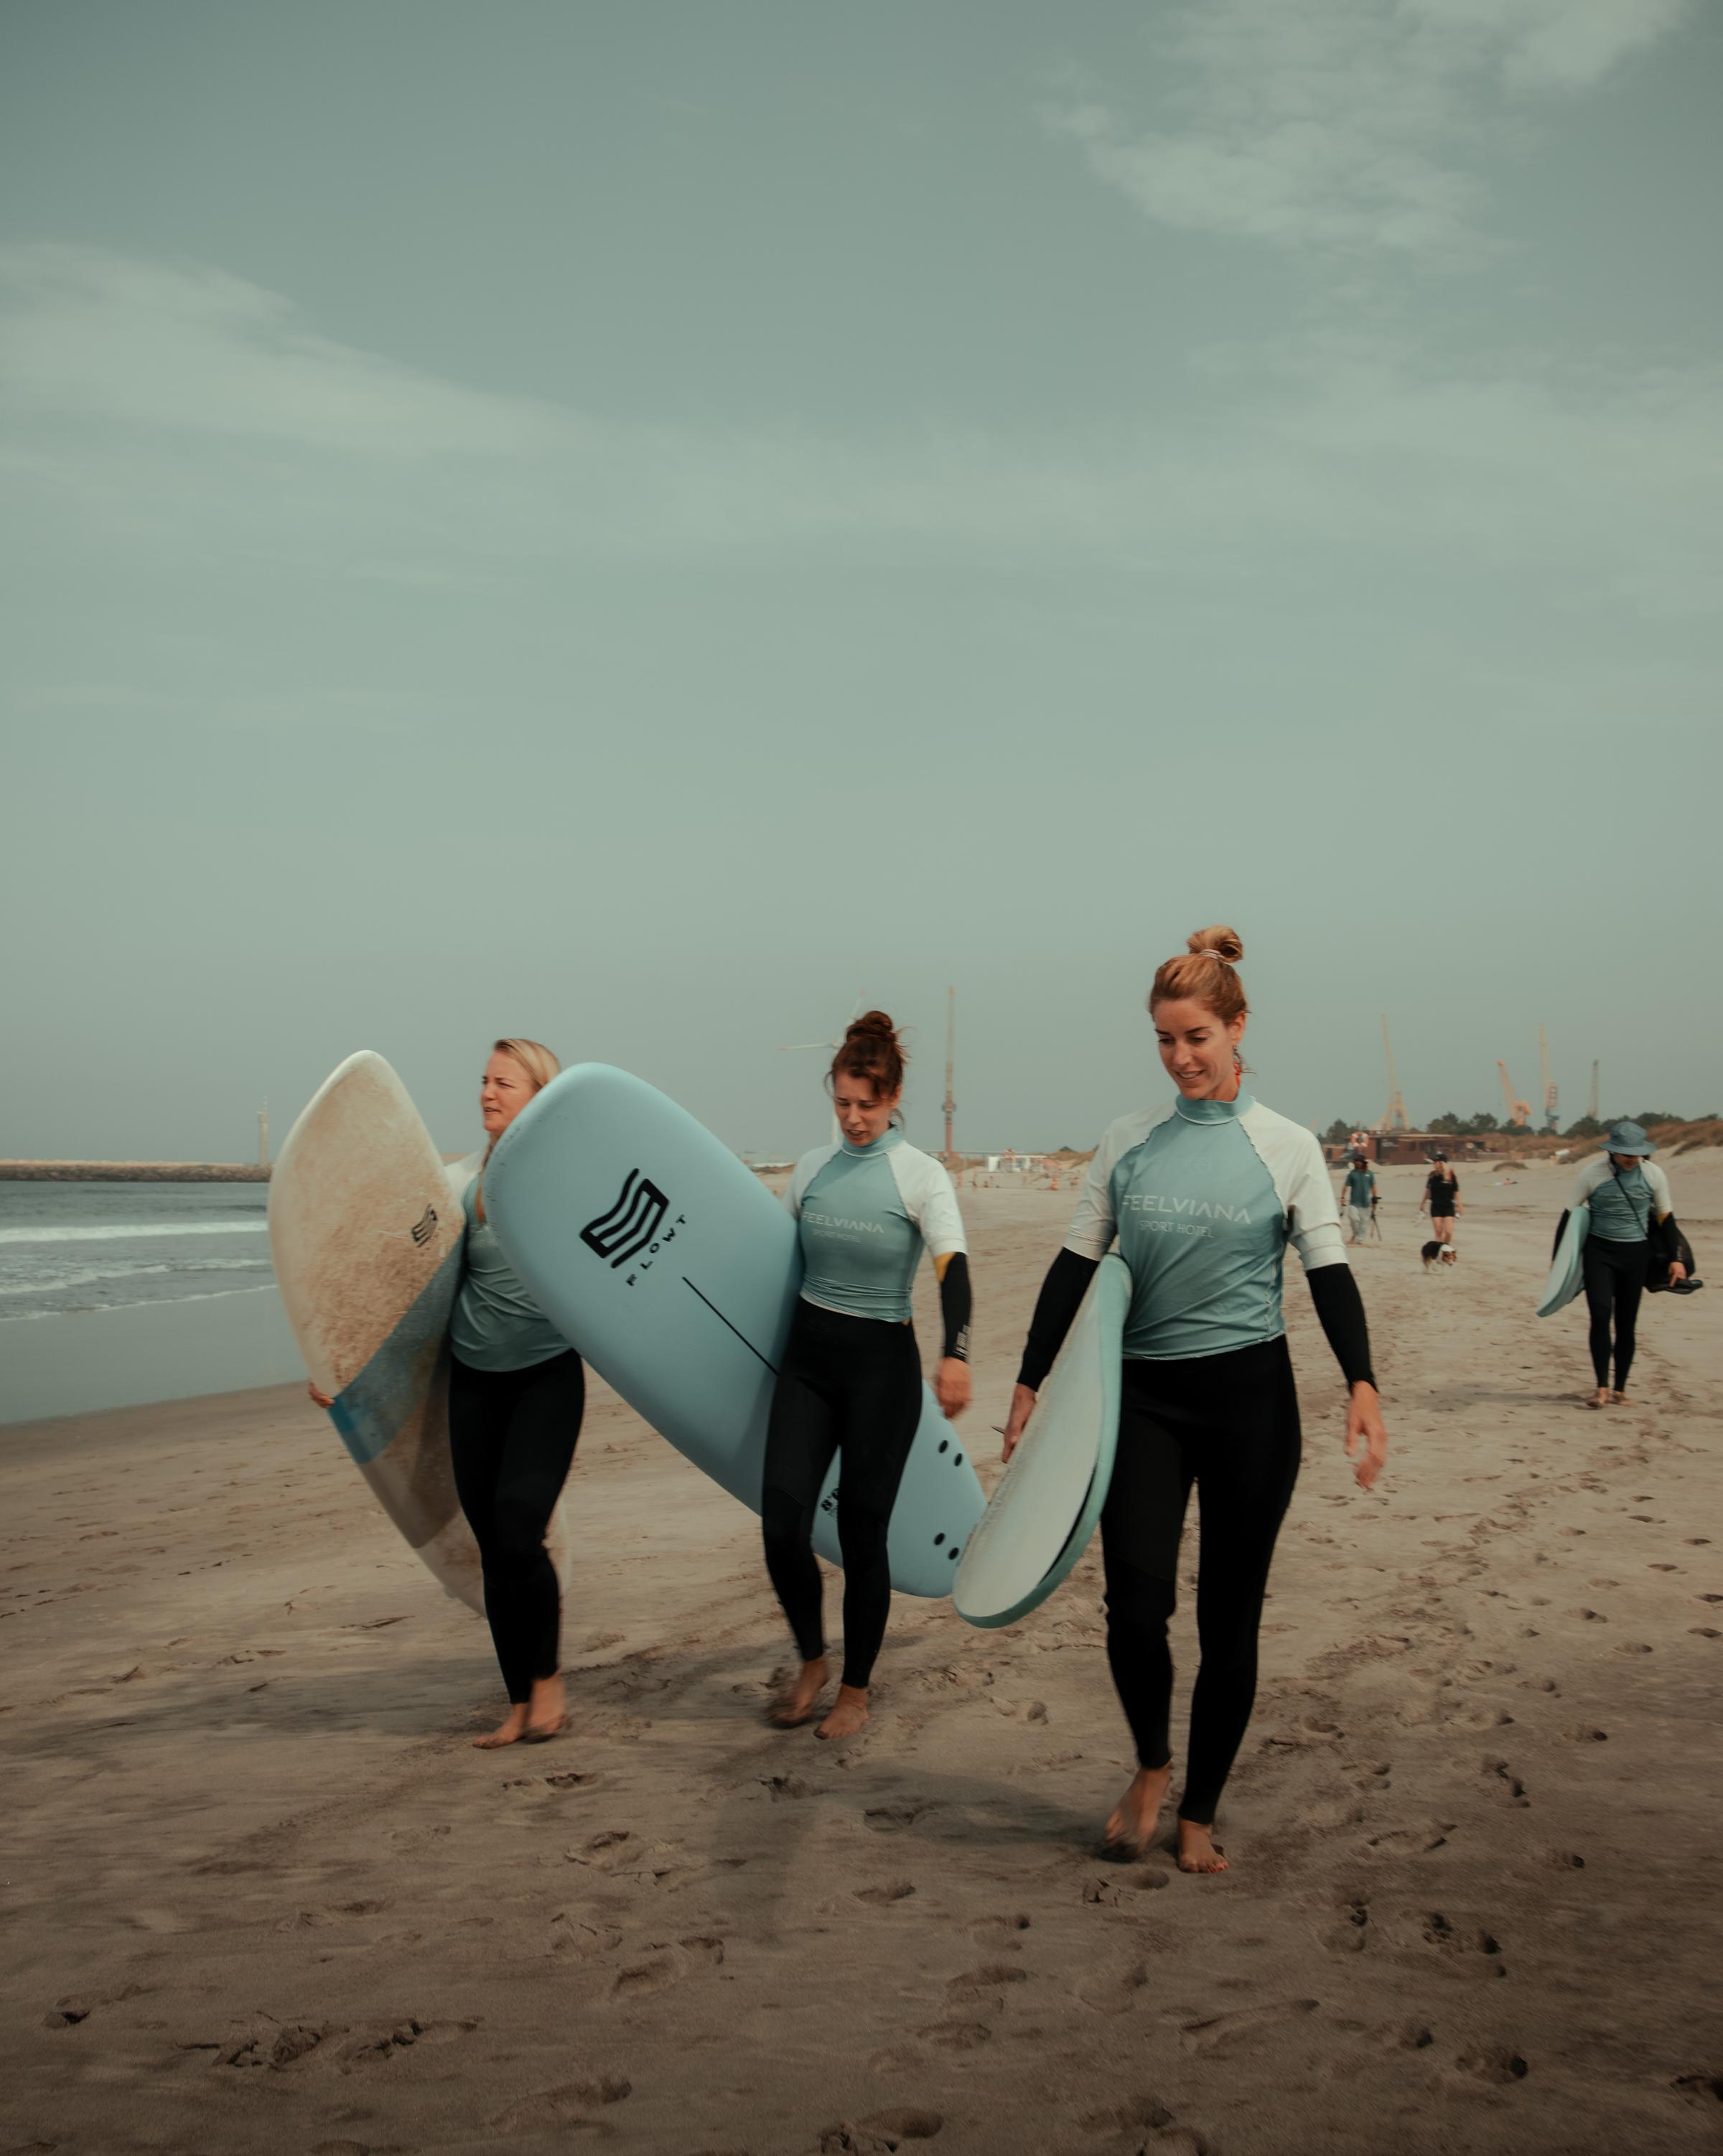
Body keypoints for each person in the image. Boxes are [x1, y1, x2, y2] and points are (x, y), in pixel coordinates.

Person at [1001, 927, 1388, 1877]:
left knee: (1229, 1618)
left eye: (1198, 1036)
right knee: (1134, 1604)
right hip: (1147, 1400)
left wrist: (1363, 1383)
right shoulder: (1129, 1140)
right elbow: (1076, 1260)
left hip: (1251, 1402)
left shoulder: (1288, 1146)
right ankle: (1150, 1763)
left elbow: (1330, 1272)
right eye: (1166, 1040)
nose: (1181, 1058)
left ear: (1238, 1026)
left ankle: (1201, 1807)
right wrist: (1029, 1376)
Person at [312, 1039, 582, 1748]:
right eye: (485, 1081)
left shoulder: (563, 1180)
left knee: (522, 1529)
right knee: (494, 1546)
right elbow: (405, 1291)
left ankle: (549, 1682)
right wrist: (343, 1369)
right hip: (474, 1383)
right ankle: (519, 1703)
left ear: (537, 1095)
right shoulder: (458, 1183)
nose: (489, 1093)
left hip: (546, 1380)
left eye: (505, 1083)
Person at [762, 1013, 972, 1742]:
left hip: (881, 1372)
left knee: (862, 1536)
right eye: (843, 1104)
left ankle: (855, 1689)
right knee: (781, 1522)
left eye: (867, 1105)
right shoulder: (811, 1170)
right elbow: (767, 1265)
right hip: (808, 1365)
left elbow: (953, 1269)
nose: (854, 1118)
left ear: (894, 1096)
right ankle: (814, 1659)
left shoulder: (921, 1177)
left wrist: (958, 1354)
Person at [1563, 1120, 1686, 1408]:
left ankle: (1620, 1389)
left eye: (1636, 1153)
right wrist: (1560, 1263)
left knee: (1627, 1324)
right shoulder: (1593, 1174)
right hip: (1599, 1253)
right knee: (1601, 1315)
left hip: (1636, 1255)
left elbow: (1666, 1219)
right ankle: (1601, 1388)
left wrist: (1675, 1260)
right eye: (1625, 1153)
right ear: (1612, 1152)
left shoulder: (1653, 1174)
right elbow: (1569, 1216)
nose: (1632, 1158)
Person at [1419, 1152, 1461, 1246]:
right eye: (1434, 1162)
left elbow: (1456, 1191)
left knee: (1449, 1232)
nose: (1434, 1164)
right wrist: (1422, 1204)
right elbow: (1427, 1191)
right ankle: (1439, 1251)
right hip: (1436, 1206)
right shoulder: (1432, 1175)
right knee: (1438, 1232)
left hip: (1448, 1206)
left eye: (1436, 1161)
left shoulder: (1451, 1175)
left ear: (1442, 1163)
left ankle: (1445, 1248)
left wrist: (1459, 1206)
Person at [1340, 1152, 1377, 1245]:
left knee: (1364, 1223)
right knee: (1353, 1218)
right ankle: (1355, 1234)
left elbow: (1373, 1186)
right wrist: (1343, 1197)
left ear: (1363, 1162)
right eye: (1356, 1161)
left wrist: (1374, 1197)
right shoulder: (1352, 1174)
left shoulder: (1370, 1174)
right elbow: (1346, 1186)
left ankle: (1359, 1240)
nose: (1357, 1163)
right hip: (1354, 1202)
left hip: (1366, 1202)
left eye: (1359, 1161)